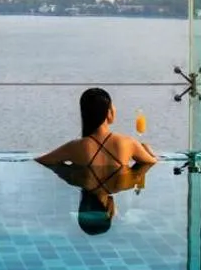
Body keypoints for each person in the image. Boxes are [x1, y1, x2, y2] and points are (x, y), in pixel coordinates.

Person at [36, 88, 157, 235]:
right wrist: (147, 149)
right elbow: (151, 162)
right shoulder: (127, 144)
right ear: (108, 113)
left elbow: (42, 161)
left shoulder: (76, 147)